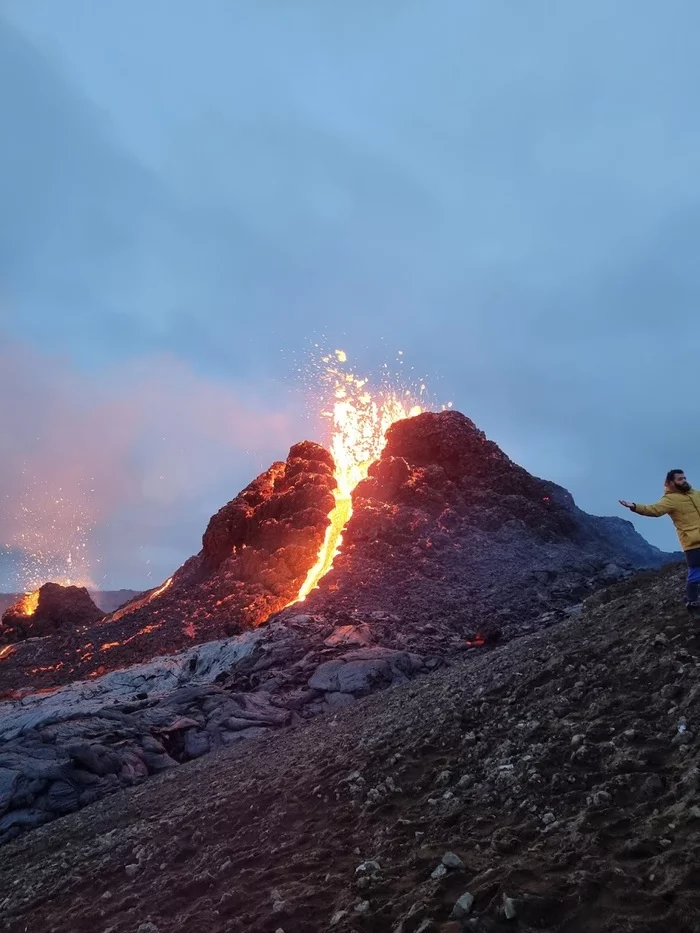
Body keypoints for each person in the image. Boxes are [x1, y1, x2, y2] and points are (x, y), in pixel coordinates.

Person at [620, 470, 700, 613]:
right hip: (693, 542)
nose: (684, 481)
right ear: (670, 483)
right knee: (696, 572)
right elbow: (654, 510)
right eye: (680, 479)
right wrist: (634, 506)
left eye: (684, 478)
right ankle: (692, 602)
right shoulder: (670, 499)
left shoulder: (696, 494)